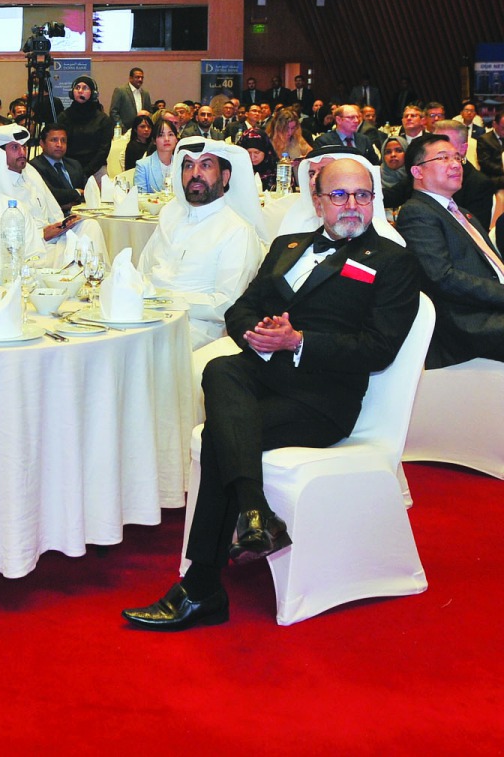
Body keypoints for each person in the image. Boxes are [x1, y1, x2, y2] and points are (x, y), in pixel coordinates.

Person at [123, 156, 419, 629]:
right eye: (339, 195)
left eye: (362, 195)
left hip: (322, 398)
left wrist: (298, 341)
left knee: (221, 436)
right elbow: (240, 309)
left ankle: (203, 585)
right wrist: (258, 336)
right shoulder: (288, 245)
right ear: (318, 202)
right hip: (264, 375)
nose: (351, 205)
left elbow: (378, 348)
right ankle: (255, 512)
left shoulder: (392, 261)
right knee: (221, 367)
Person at [137, 138, 264, 349]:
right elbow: (142, 269)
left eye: (205, 165)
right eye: (188, 166)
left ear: (225, 177)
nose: (195, 173)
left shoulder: (237, 230)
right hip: (146, 316)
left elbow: (227, 304)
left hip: (197, 328)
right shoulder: (169, 216)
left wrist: (167, 300)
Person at [395, 133, 504, 368]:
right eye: (443, 158)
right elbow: (442, 277)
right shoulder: (417, 212)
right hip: (468, 321)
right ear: (417, 171)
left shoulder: (462, 213)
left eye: (457, 157)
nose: (455, 164)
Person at [0, 124, 107, 263]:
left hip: (52, 236)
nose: (22, 153)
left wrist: (63, 224)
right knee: (78, 253)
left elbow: (53, 210)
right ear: (0, 153)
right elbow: (3, 237)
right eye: (15, 148)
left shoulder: (30, 172)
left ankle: (95, 273)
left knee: (90, 225)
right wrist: (42, 234)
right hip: (31, 248)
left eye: (24, 147)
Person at [55, 76, 114, 179]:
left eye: (85, 88)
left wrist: (87, 172)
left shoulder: (103, 119)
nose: (80, 91)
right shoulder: (63, 117)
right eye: (77, 87)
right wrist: (73, 170)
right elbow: (60, 145)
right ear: (72, 93)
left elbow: (103, 150)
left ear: (93, 93)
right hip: (69, 167)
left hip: (96, 168)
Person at [28, 125, 86, 214]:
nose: (59, 145)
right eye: (54, 140)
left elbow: (88, 190)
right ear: (42, 143)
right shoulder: (34, 166)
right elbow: (50, 194)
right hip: (54, 217)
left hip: (81, 214)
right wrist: (77, 192)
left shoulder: (74, 164)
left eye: (63, 140)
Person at [313, 104, 380, 164]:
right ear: (339, 120)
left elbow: (374, 164)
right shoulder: (324, 141)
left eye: (357, 117)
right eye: (351, 117)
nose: (356, 121)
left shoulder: (364, 139)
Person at [134, 117, 179, 193]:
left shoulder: (181, 164)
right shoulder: (143, 166)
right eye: (161, 135)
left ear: (176, 139)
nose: (167, 139)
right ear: (154, 141)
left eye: (170, 134)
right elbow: (140, 196)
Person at [109, 67, 153, 132]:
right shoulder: (120, 91)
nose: (140, 79)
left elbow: (149, 112)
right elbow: (113, 112)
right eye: (137, 77)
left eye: (142, 77)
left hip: (141, 131)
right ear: (130, 78)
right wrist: (122, 128)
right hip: (124, 130)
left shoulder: (145, 94)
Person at [237, 128, 277, 192]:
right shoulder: (237, 169)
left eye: (257, 152)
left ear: (265, 152)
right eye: (248, 153)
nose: (252, 157)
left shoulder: (276, 169)